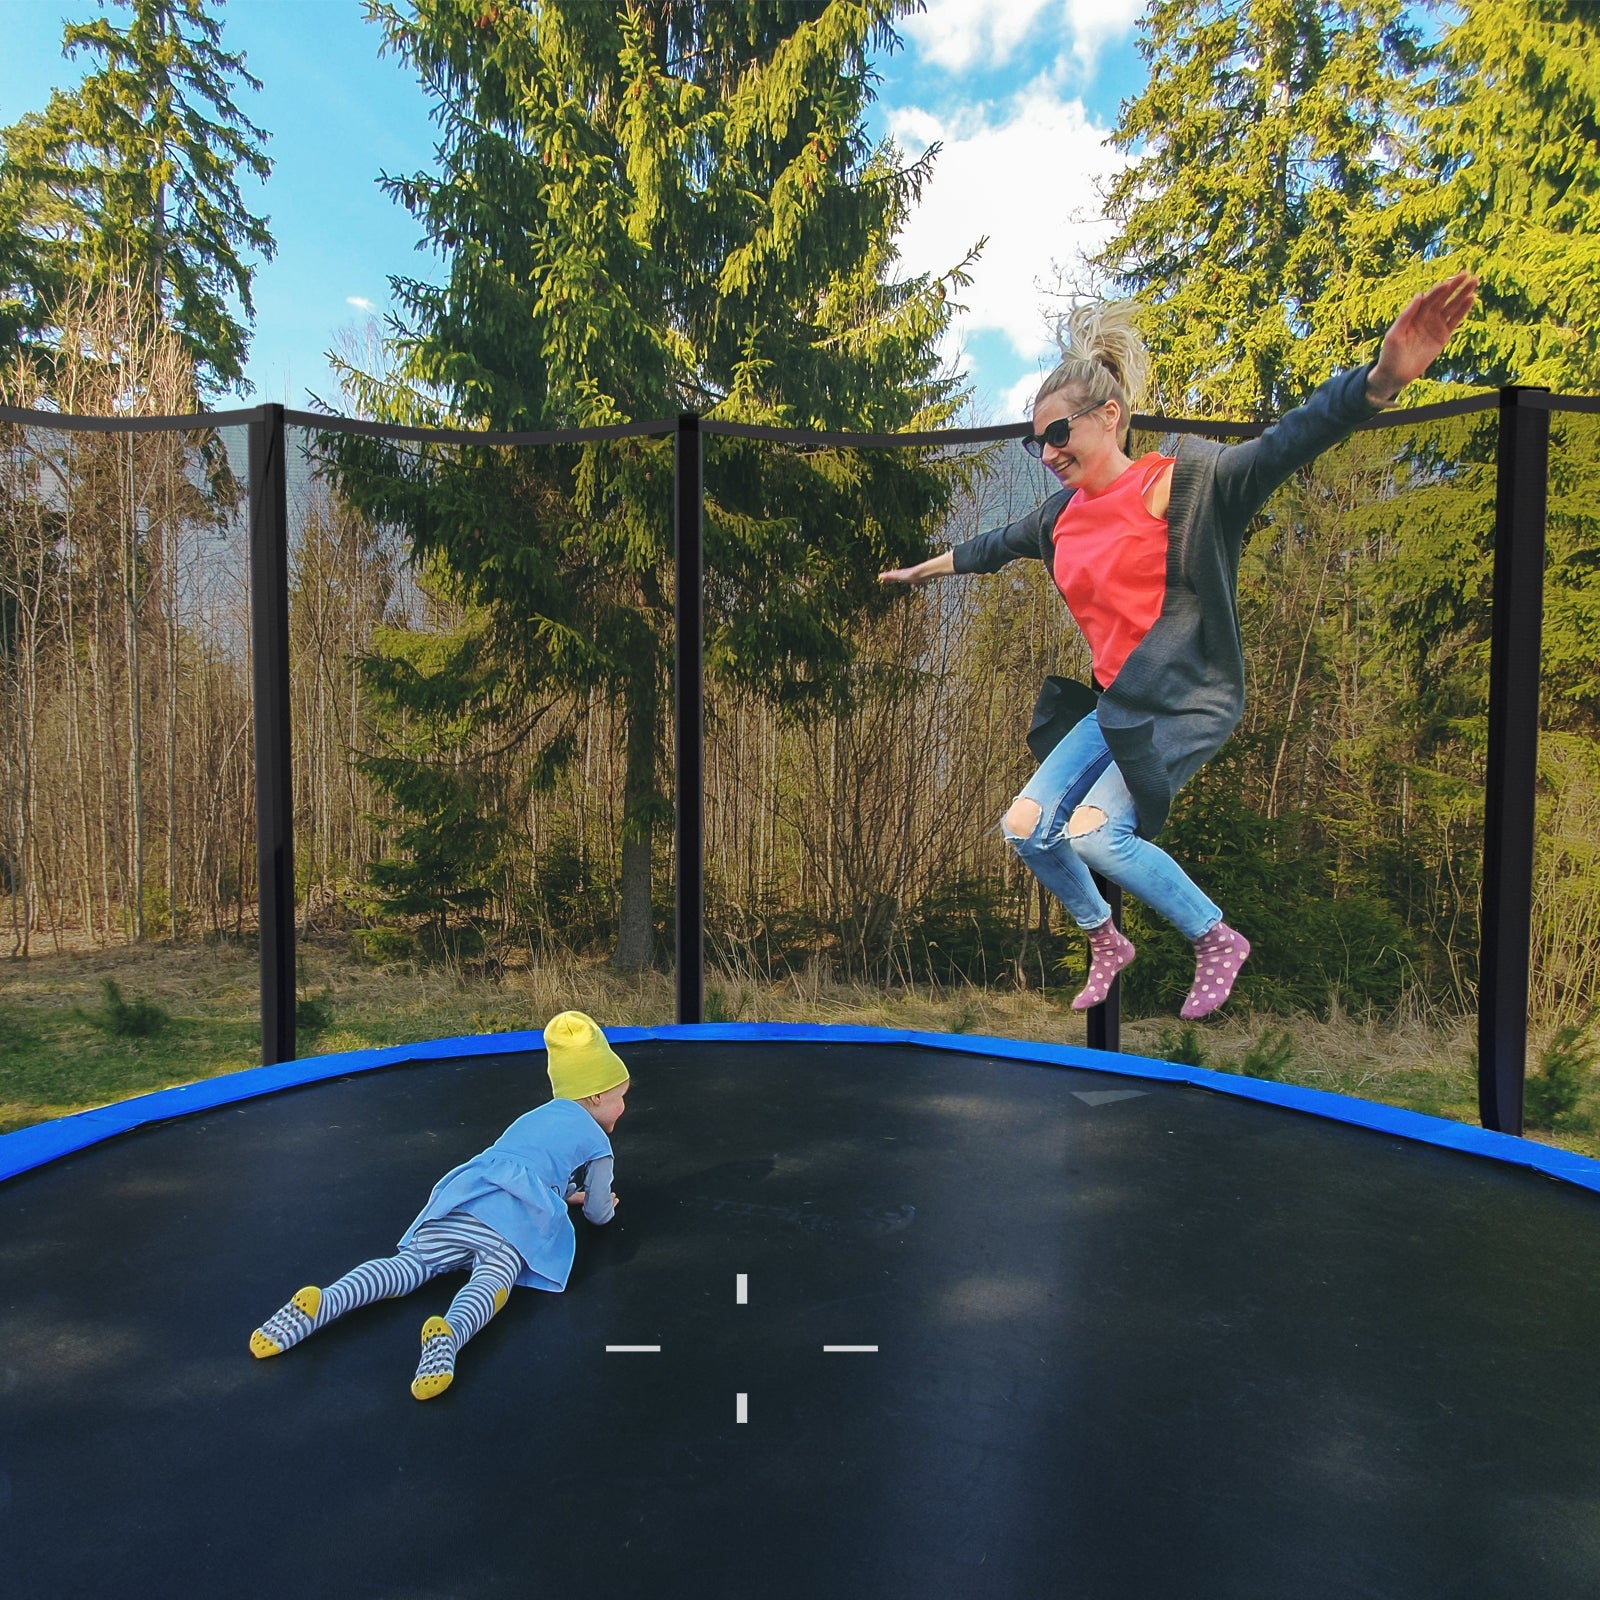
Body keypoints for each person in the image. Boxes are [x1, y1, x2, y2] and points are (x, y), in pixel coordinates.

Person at [881, 274, 1478, 1019]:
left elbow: (1287, 442)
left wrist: (1382, 379)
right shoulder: (1057, 518)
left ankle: (1215, 936)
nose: (1047, 453)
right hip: (1119, 705)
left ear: (1110, 416)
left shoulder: (1189, 487)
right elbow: (988, 547)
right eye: (1036, 443)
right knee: (1027, 827)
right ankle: (1105, 938)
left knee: (1098, 836)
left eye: (1058, 435)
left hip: (1185, 701)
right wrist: (918, 571)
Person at [248, 1010, 629, 1400]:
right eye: (620, 1098)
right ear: (597, 1095)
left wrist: (564, 1192)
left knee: (408, 1266)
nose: (623, 1108)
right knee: (491, 1281)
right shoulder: (598, 1141)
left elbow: (529, 1166)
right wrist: (600, 1209)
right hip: (511, 1225)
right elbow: (598, 1212)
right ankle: (450, 1334)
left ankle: (329, 1299)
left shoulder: (535, 1115)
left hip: (467, 1200)